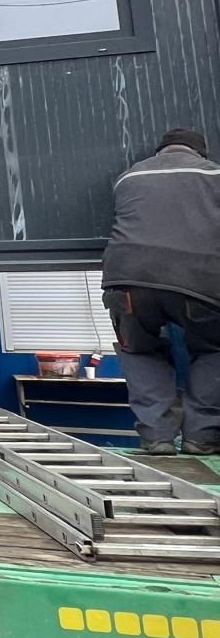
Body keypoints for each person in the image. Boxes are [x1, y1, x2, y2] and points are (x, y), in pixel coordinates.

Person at [102, 128, 220, 455]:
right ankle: (202, 436)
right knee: (214, 349)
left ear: (159, 151)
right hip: (199, 281)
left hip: (128, 279)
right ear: (201, 154)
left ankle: (157, 437)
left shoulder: (128, 177)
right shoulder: (214, 174)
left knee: (140, 351)